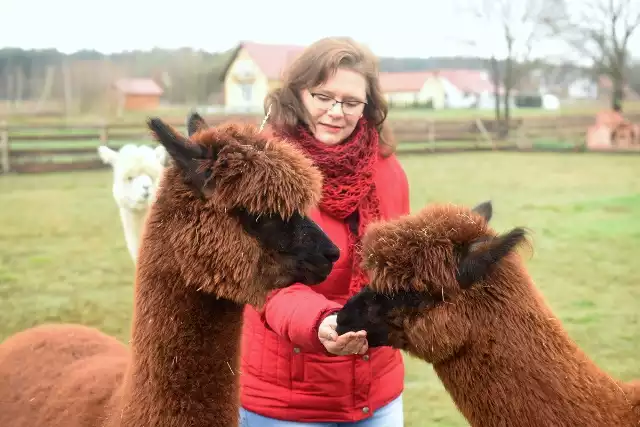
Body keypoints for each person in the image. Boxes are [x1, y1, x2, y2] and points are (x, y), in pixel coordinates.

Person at [239, 36, 410, 426]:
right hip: (289, 401)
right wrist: (322, 324)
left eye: (351, 103)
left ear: (368, 106)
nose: (336, 112)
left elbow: (397, 267)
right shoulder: (264, 171)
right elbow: (265, 282)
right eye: (323, 97)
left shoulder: (387, 170)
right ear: (298, 93)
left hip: (376, 394)